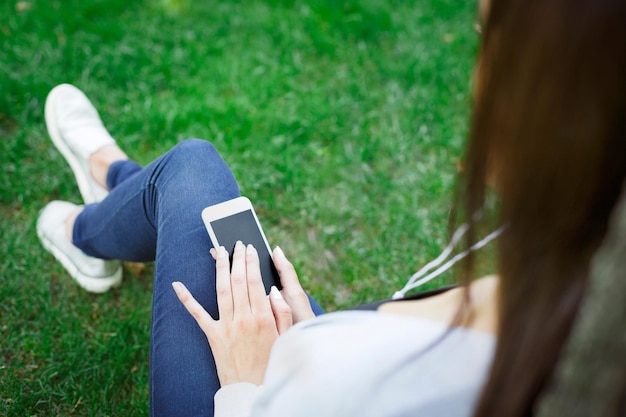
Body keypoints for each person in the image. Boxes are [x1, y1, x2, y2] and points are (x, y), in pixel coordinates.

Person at [36, 0, 626, 416]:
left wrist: (246, 384)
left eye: (482, 37)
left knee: (191, 170)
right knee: (188, 185)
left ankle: (90, 223)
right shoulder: (591, 298)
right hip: (308, 364)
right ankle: (115, 183)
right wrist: (315, 333)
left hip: (261, 399)